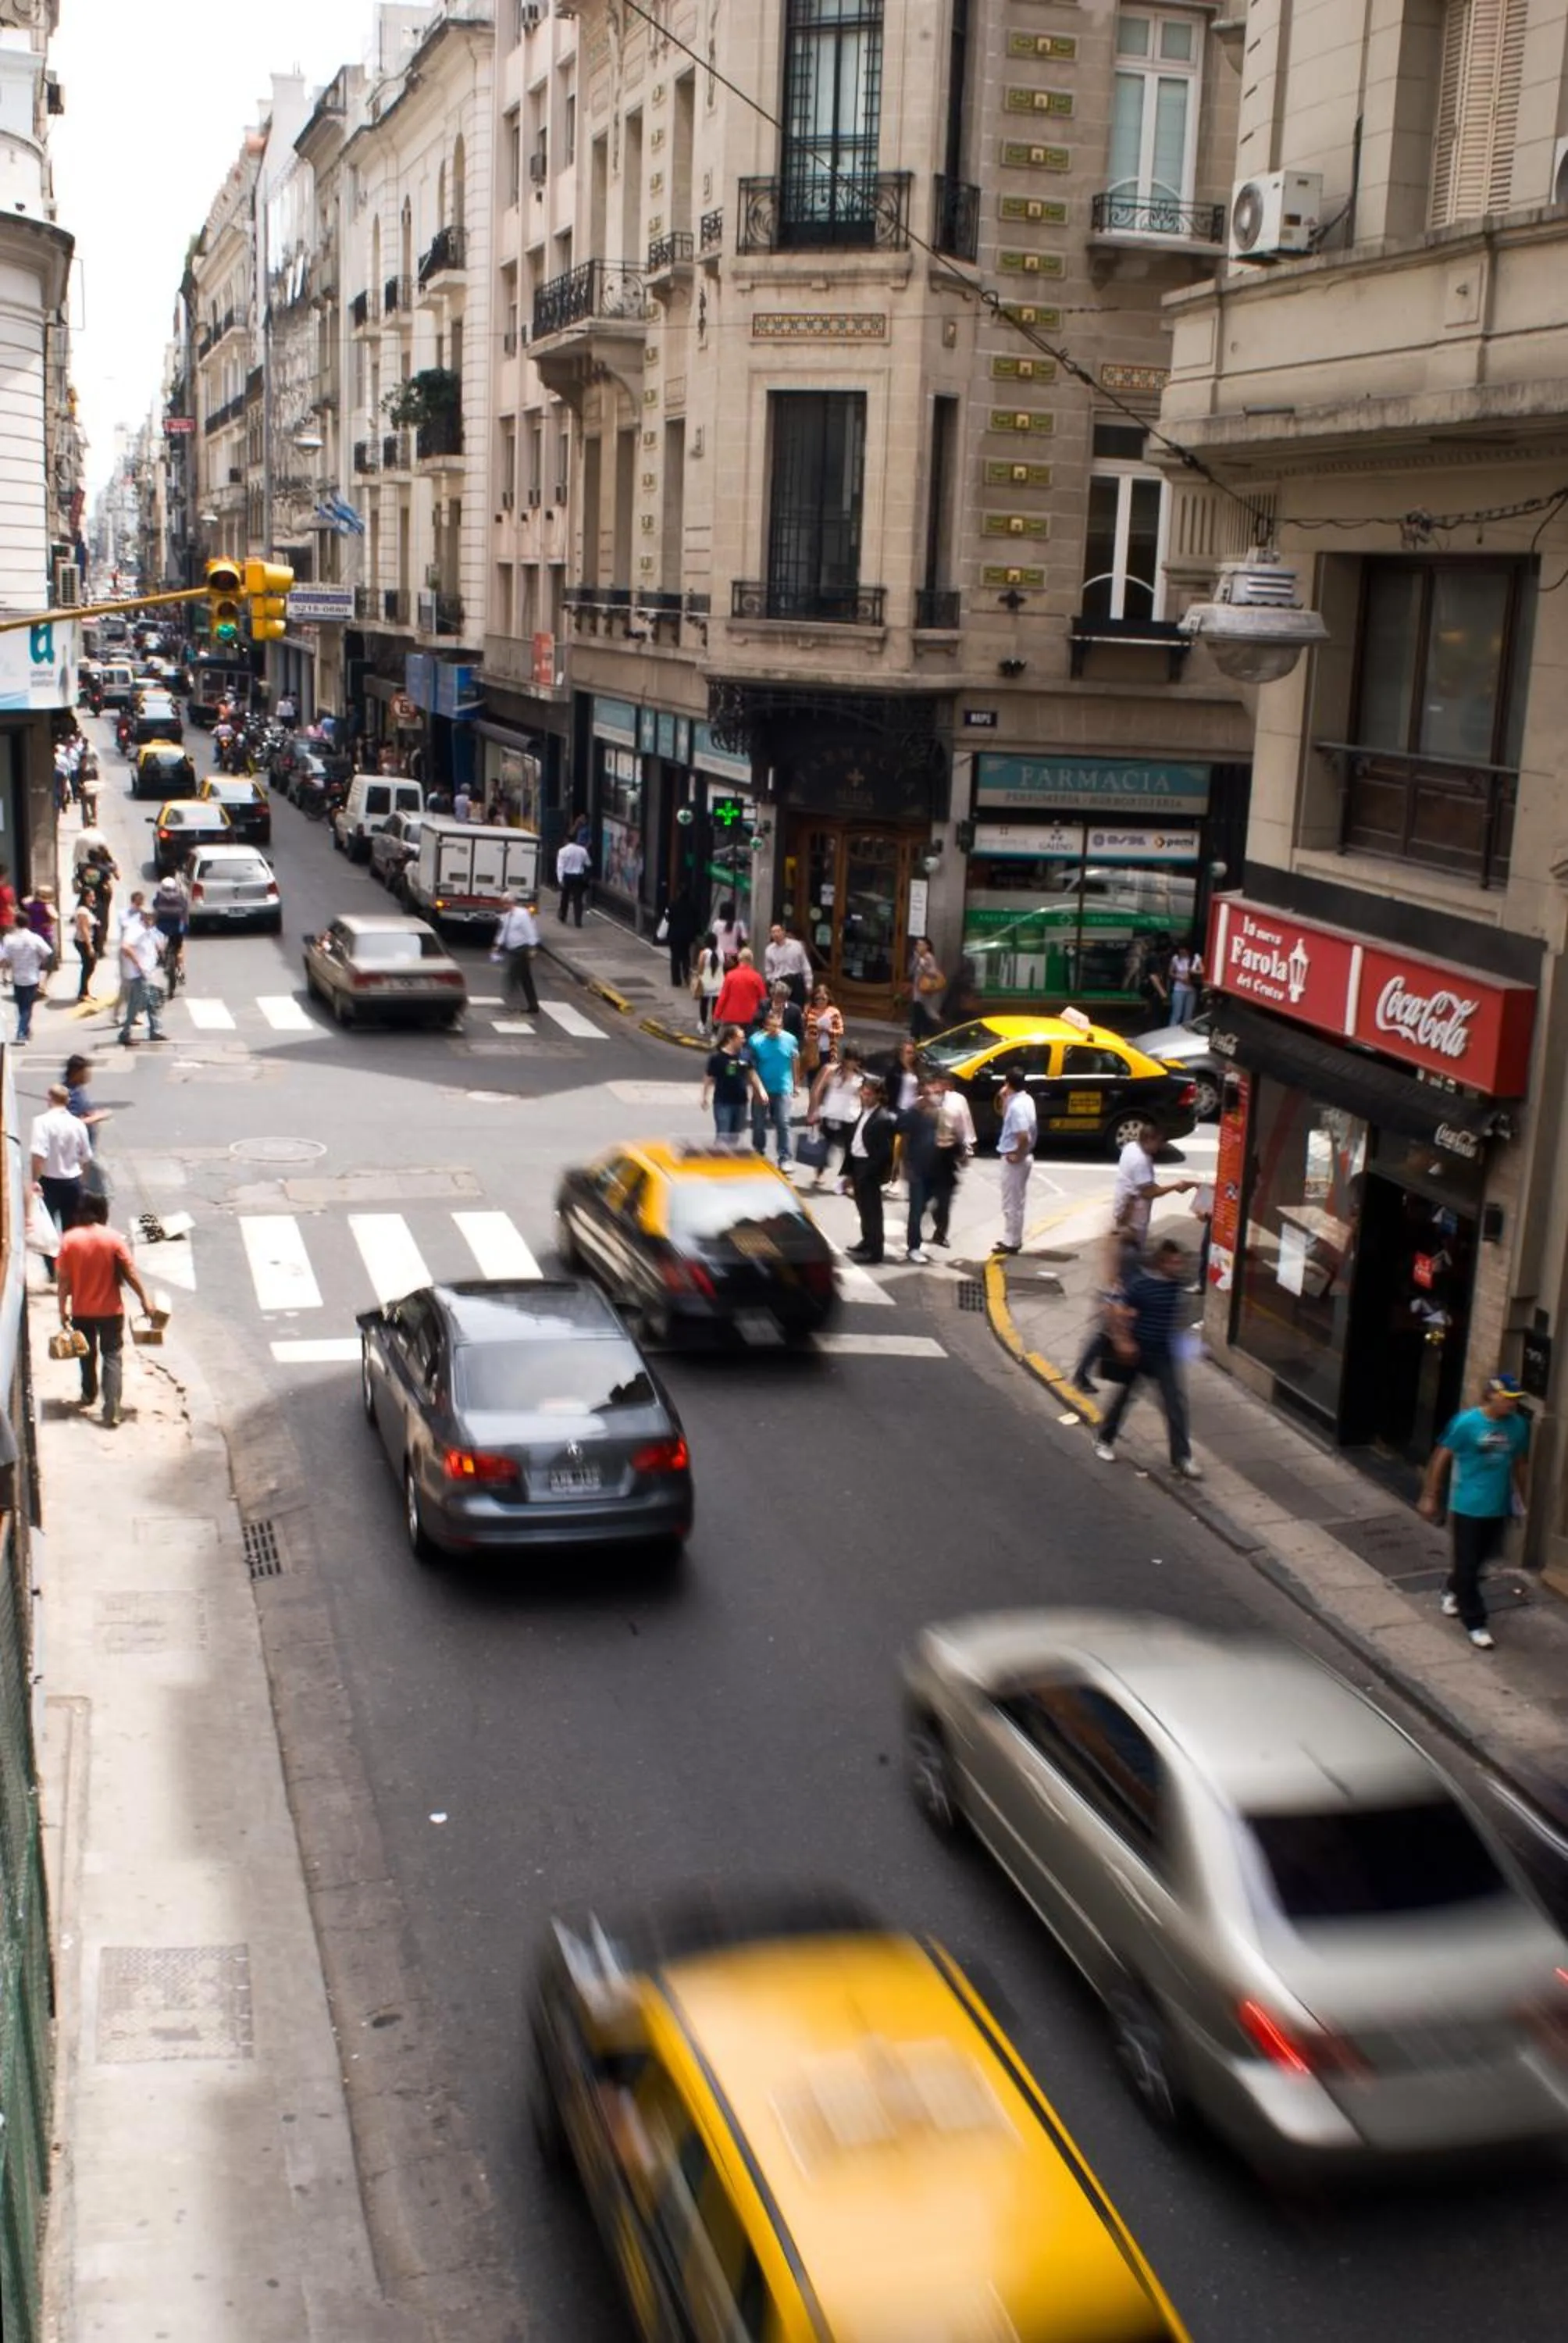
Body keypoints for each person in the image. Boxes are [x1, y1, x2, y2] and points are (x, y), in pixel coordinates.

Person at [1419, 1373, 1530, 1652]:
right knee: (1468, 1565)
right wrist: (1431, 1495)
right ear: (1492, 1395)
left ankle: (1451, 1588)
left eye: (1515, 1400)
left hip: (1497, 1506)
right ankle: (1476, 1622)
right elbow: (1441, 1456)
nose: (1512, 1405)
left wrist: (1520, 1498)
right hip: (1468, 1506)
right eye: (1508, 1399)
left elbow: (1519, 1462)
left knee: (1478, 1563)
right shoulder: (1467, 1423)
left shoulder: (1518, 1426)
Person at [1093, 1239, 1203, 1479]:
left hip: (1164, 1355)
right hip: (1139, 1352)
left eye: (1180, 1262)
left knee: (1175, 1405)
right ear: (1163, 1263)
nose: (1179, 1266)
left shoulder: (1176, 1287)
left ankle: (1182, 1458)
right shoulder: (1143, 1286)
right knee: (1124, 1399)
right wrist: (1123, 1340)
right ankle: (1104, 1439)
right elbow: (1114, 1309)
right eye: (1174, 1262)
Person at [55, 1190, 155, 1429]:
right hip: (111, 1311)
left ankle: (88, 1394)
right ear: (103, 1212)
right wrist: (145, 1300)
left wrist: (62, 1309)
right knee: (112, 1356)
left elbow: (64, 1281)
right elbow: (130, 1273)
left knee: (86, 1355)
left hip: (81, 1311)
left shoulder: (69, 1240)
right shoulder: (113, 1239)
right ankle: (111, 1408)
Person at [30, 1082, 92, 1278]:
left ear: (49, 1099)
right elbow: (86, 1158)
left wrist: (34, 1180)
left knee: (46, 1232)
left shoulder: (41, 1122)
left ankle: (53, 1271)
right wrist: (83, 1182)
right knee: (71, 1231)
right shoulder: (78, 1124)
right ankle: (72, 1271)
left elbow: (39, 1155)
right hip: (73, 1183)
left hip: (49, 1183)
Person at [1113, 1121, 1195, 1250]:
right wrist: (1175, 1187)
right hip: (1133, 1219)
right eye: (1159, 1141)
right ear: (1149, 1139)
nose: (1161, 1145)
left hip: (1124, 1211)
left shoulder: (1132, 1147)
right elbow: (1149, 1192)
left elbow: (1145, 1184)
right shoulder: (1140, 1161)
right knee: (1132, 1252)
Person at [845, 1075, 896, 1263]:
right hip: (858, 1165)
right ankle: (867, 1241)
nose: (863, 1096)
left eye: (868, 1094)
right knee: (862, 1209)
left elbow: (884, 1154)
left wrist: (869, 1174)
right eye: (862, 1093)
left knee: (873, 1212)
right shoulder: (864, 1111)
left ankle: (875, 1252)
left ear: (878, 1096)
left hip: (869, 1169)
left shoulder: (883, 1119)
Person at [926, 1069, 975, 1248]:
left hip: (948, 1153)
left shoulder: (958, 1101)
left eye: (945, 1084)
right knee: (928, 1198)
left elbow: (965, 1124)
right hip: (928, 1153)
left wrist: (967, 1148)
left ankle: (941, 1233)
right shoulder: (927, 1098)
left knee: (944, 1199)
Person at [807, 1047, 865, 1192]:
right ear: (845, 1058)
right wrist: (814, 1110)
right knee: (825, 1145)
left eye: (857, 1061)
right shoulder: (830, 1070)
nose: (853, 1064)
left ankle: (849, 1181)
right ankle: (819, 1173)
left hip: (851, 1116)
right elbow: (816, 1089)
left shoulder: (861, 1077)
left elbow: (864, 1097)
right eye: (851, 1059)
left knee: (851, 1151)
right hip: (830, 1113)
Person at [747, 1007, 800, 1164]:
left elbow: (795, 1061)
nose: (775, 1030)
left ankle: (784, 1157)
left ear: (782, 1025)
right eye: (771, 1026)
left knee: (783, 1123)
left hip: (783, 1088)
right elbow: (750, 1067)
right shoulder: (755, 1041)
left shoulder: (790, 1040)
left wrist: (796, 1084)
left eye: (778, 1026)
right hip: (761, 1088)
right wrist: (755, 1088)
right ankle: (759, 1150)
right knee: (759, 1123)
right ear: (766, 1026)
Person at [994, 1066, 1037, 1255]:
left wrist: (1017, 1154)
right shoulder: (1025, 1100)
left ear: (1008, 1083)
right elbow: (1007, 1119)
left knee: (1011, 1203)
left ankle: (1011, 1242)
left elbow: (1023, 1135)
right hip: (1022, 1157)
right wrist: (1004, 1099)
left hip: (1015, 1159)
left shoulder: (1018, 1106)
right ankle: (1013, 1238)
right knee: (1016, 1201)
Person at [899, 1083, 941, 1264]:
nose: (932, 1097)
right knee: (916, 1210)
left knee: (926, 1205)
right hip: (916, 1170)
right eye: (928, 1094)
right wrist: (904, 1167)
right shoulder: (911, 1115)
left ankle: (916, 1237)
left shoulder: (936, 1114)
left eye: (935, 1093)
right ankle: (913, 1247)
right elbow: (903, 1142)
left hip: (933, 1170)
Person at [700, 1024, 764, 1139]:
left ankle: (729, 1156)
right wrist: (705, 1097)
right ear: (730, 1039)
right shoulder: (717, 1058)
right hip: (723, 1103)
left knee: (735, 1137)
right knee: (723, 1137)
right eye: (741, 1038)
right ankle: (720, 1157)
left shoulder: (745, 1055)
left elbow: (752, 1074)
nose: (743, 1041)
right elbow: (709, 1077)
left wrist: (761, 1090)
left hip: (741, 1103)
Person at [118, 910, 166, 1047]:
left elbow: (155, 946)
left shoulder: (149, 931)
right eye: (149, 917)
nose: (152, 920)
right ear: (143, 917)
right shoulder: (135, 930)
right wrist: (138, 964)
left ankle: (155, 1031)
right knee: (136, 1004)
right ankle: (125, 1033)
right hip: (139, 975)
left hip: (148, 973)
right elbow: (125, 947)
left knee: (152, 1001)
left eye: (153, 918)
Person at [3, 916, 53, 1043]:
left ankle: (25, 1029)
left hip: (17, 977)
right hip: (31, 976)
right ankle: (22, 1032)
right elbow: (47, 952)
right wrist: (39, 961)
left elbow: (4, 959)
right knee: (27, 1006)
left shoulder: (9, 940)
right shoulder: (35, 938)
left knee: (21, 1006)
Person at [494, 889, 541, 1014]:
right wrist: (498, 944)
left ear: (512, 902)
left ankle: (513, 1004)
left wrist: (532, 948)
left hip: (521, 950)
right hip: (512, 950)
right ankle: (533, 1005)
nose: (504, 906)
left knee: (511, 976)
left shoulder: (522, 914)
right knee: (525, 978)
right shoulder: (508, 916)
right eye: (503, 903)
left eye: (506, 903)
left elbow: (530, 931)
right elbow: (505, 931)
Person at [150, 870, 191, 991]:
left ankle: (160, 957)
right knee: (179, 947)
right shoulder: (180, 896)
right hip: (177, 926)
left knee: (156, 940)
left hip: (162, 926)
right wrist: (185, 926)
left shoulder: (159, 896)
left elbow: (155, 907)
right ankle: (181, 970)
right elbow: (185, 912)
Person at [712, 946, 768, 1032]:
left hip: (731, 1017)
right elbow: (763, 999)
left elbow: (723, 997)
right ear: (751, 960)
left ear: (739, 959)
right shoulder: (757, 977)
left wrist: (717, 1015)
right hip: (751, 1017)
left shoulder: (730, 975)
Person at [763, 920, 812, 1006]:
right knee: (781, 1007)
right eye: (773, 932)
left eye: (778, 931)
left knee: (797, 1006)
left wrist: (809, 983)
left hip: (796, 980)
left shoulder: (796, 945)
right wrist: (772, 982)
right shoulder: (769, 950)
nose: (776, 934)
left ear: (783, 932)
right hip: (780, 981)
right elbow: (768, 970)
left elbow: (805, 965)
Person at [801, 982, 843, 1081]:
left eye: (823, 999)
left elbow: (840, 1031)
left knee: (824, 1080)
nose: (820, 1001)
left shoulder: (834, 1012)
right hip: (812, 1049)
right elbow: (802, 1027)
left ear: (828, 998)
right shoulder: (809, 1011)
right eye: (817, 999)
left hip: (827, 1050)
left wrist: (827, 1030)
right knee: (812, 1079)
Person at [661, 886, 701, 990]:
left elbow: (667, 917)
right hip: (687, 937)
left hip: (674, 936)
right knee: (685, 956)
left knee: (675, 958)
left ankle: (676, 980)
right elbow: (697, 921)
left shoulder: (673, 905)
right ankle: (686, 976)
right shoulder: (693, 907)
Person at [908, 936, 946, 1039]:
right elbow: (910, 971)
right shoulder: (917, 957)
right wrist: (917, 959)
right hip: (917, 989)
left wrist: (925, 968)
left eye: (921, 944)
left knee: (924, 1010)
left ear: (927, 946)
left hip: (925, 989)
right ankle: (919, 1032)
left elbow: (933, 974)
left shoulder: (929, 958)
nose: (918, 947)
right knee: (922, 1010)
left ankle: (938, 1028)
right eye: (917, 944)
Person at [693, 931, 725, 1033]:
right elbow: (726, 963)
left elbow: (700, 968)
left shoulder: (704, 953)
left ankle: (702, 1024)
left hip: (706, 981)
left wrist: (697, 976)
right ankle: (715, 1027)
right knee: (716, 1006)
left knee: (704, 1004)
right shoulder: (721, 952)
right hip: (719, 982)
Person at [556, 832, 590, 925]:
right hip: (578, 876)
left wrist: (560, 880)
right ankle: (578, 921)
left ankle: (563, 916)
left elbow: (560, 867)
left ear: (566, 840)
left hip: (567, 876)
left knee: (565, 898)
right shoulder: (582, 850)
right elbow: (588, 863)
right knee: (578, 899)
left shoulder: (562, 851)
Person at [1167, 940, 1203, 1028]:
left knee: (1188, 1015)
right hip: (1179, 989)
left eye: (1184, 950)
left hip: (1191, 989)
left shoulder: (1195, 958)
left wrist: (1193, 972)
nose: (1182, 952)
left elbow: (1202, 970)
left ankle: (1184, 1033)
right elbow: (1170, 972)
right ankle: (1171, 1031)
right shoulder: (1176, 958)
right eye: (1180, 950)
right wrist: (1180, 978)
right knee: (1177, 1013)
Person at [70, 892, 98, 1002]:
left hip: (86, 940)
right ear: (85, 897)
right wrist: (90, 946)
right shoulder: (82, 911)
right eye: (91, 896)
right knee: (88, 966)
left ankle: (85, 992)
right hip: (83, 941)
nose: (93, 898)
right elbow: (84, 929)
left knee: (89, 966)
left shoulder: (87, 909)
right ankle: (82, 993)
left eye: (93, 895)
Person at [768, 979, 805, 1049]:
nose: (780, 1000)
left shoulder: (795, 1010)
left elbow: (800, 1033)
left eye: (783, 997)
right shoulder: (764, 1005)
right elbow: (757, 1025)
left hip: (787, 1046)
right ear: (772, 995)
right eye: (777, 996)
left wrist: (797, 1049)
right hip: (767, 1044)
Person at [711, 899, 746, 967]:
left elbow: (713, 939)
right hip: (734, 956)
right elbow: (744, 939)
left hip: (719, 955)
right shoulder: (739, 924)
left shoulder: (716, 924)